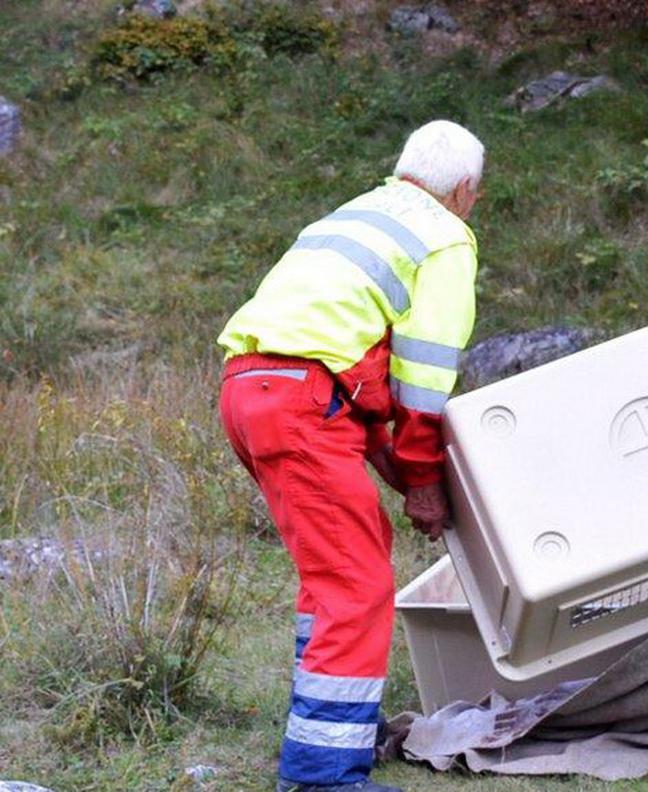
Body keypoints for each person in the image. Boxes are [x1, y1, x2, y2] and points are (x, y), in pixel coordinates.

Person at [217, 120, 484, 792]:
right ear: (465, 190)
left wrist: (403, 477)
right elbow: (421, 381)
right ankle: (322, 778)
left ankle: (340, 730)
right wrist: (425, 483)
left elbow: (348, 377)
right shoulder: (445, 236)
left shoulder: (352, 215)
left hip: (252, 390)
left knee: (331, 576)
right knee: (356, 584)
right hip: (305, 400)